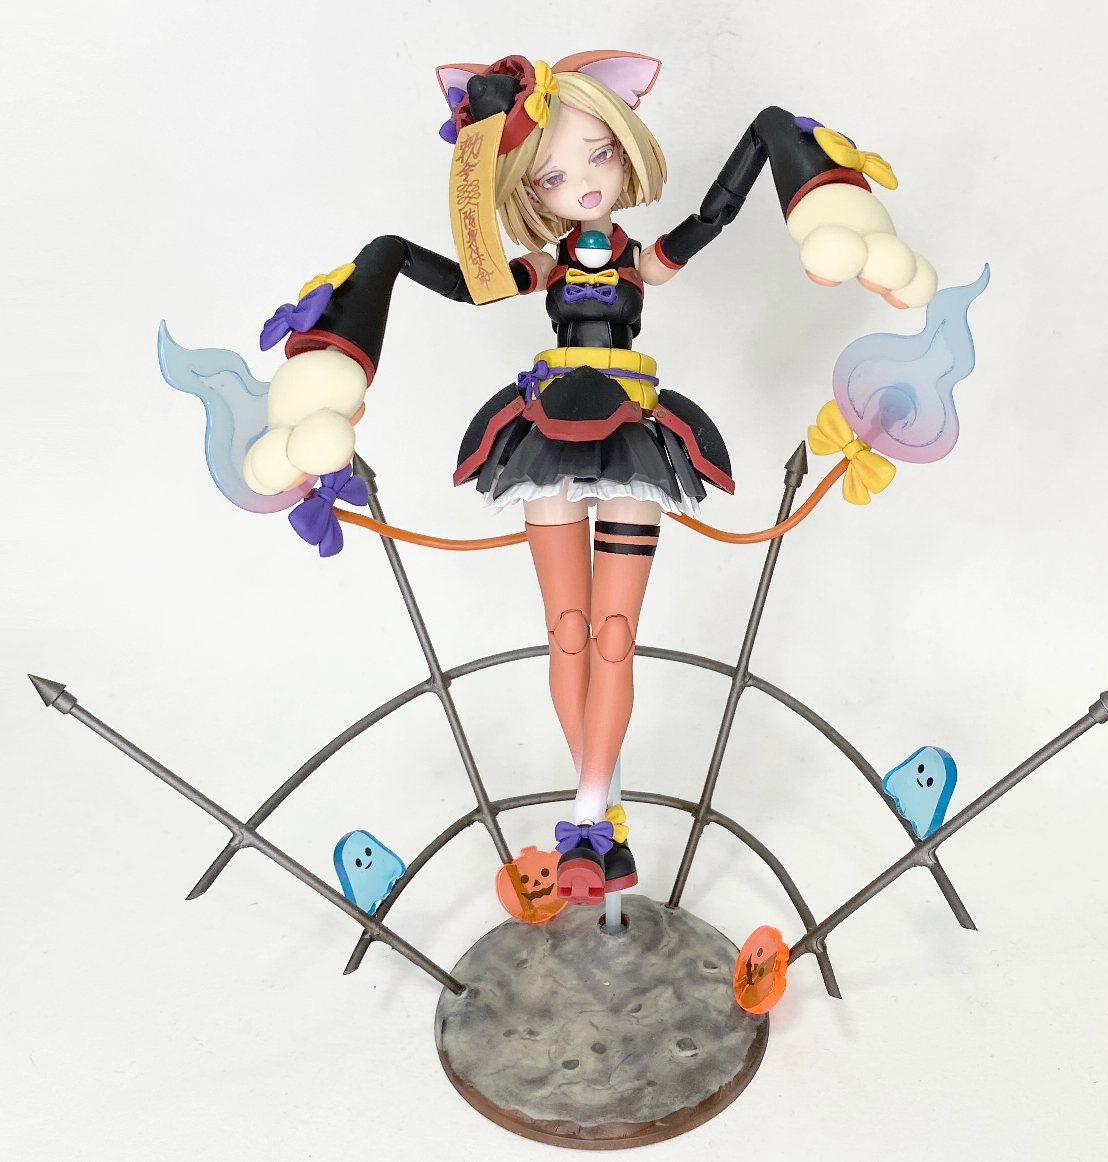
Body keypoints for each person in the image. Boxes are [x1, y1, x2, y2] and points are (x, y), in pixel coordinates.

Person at [240, 51, 936, 904]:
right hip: (544, 430)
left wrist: (783, 149)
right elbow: (463, 284)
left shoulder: (642, 257)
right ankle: (597, 819)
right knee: (567, 631)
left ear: (627, 145)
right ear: (530, 191)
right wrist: (380, 263)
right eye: (554, 175)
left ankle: (586, 814)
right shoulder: (546, 264)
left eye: (600, 153)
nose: (585, 182)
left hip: (636, 430)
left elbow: (712, 216)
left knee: (613, 635)